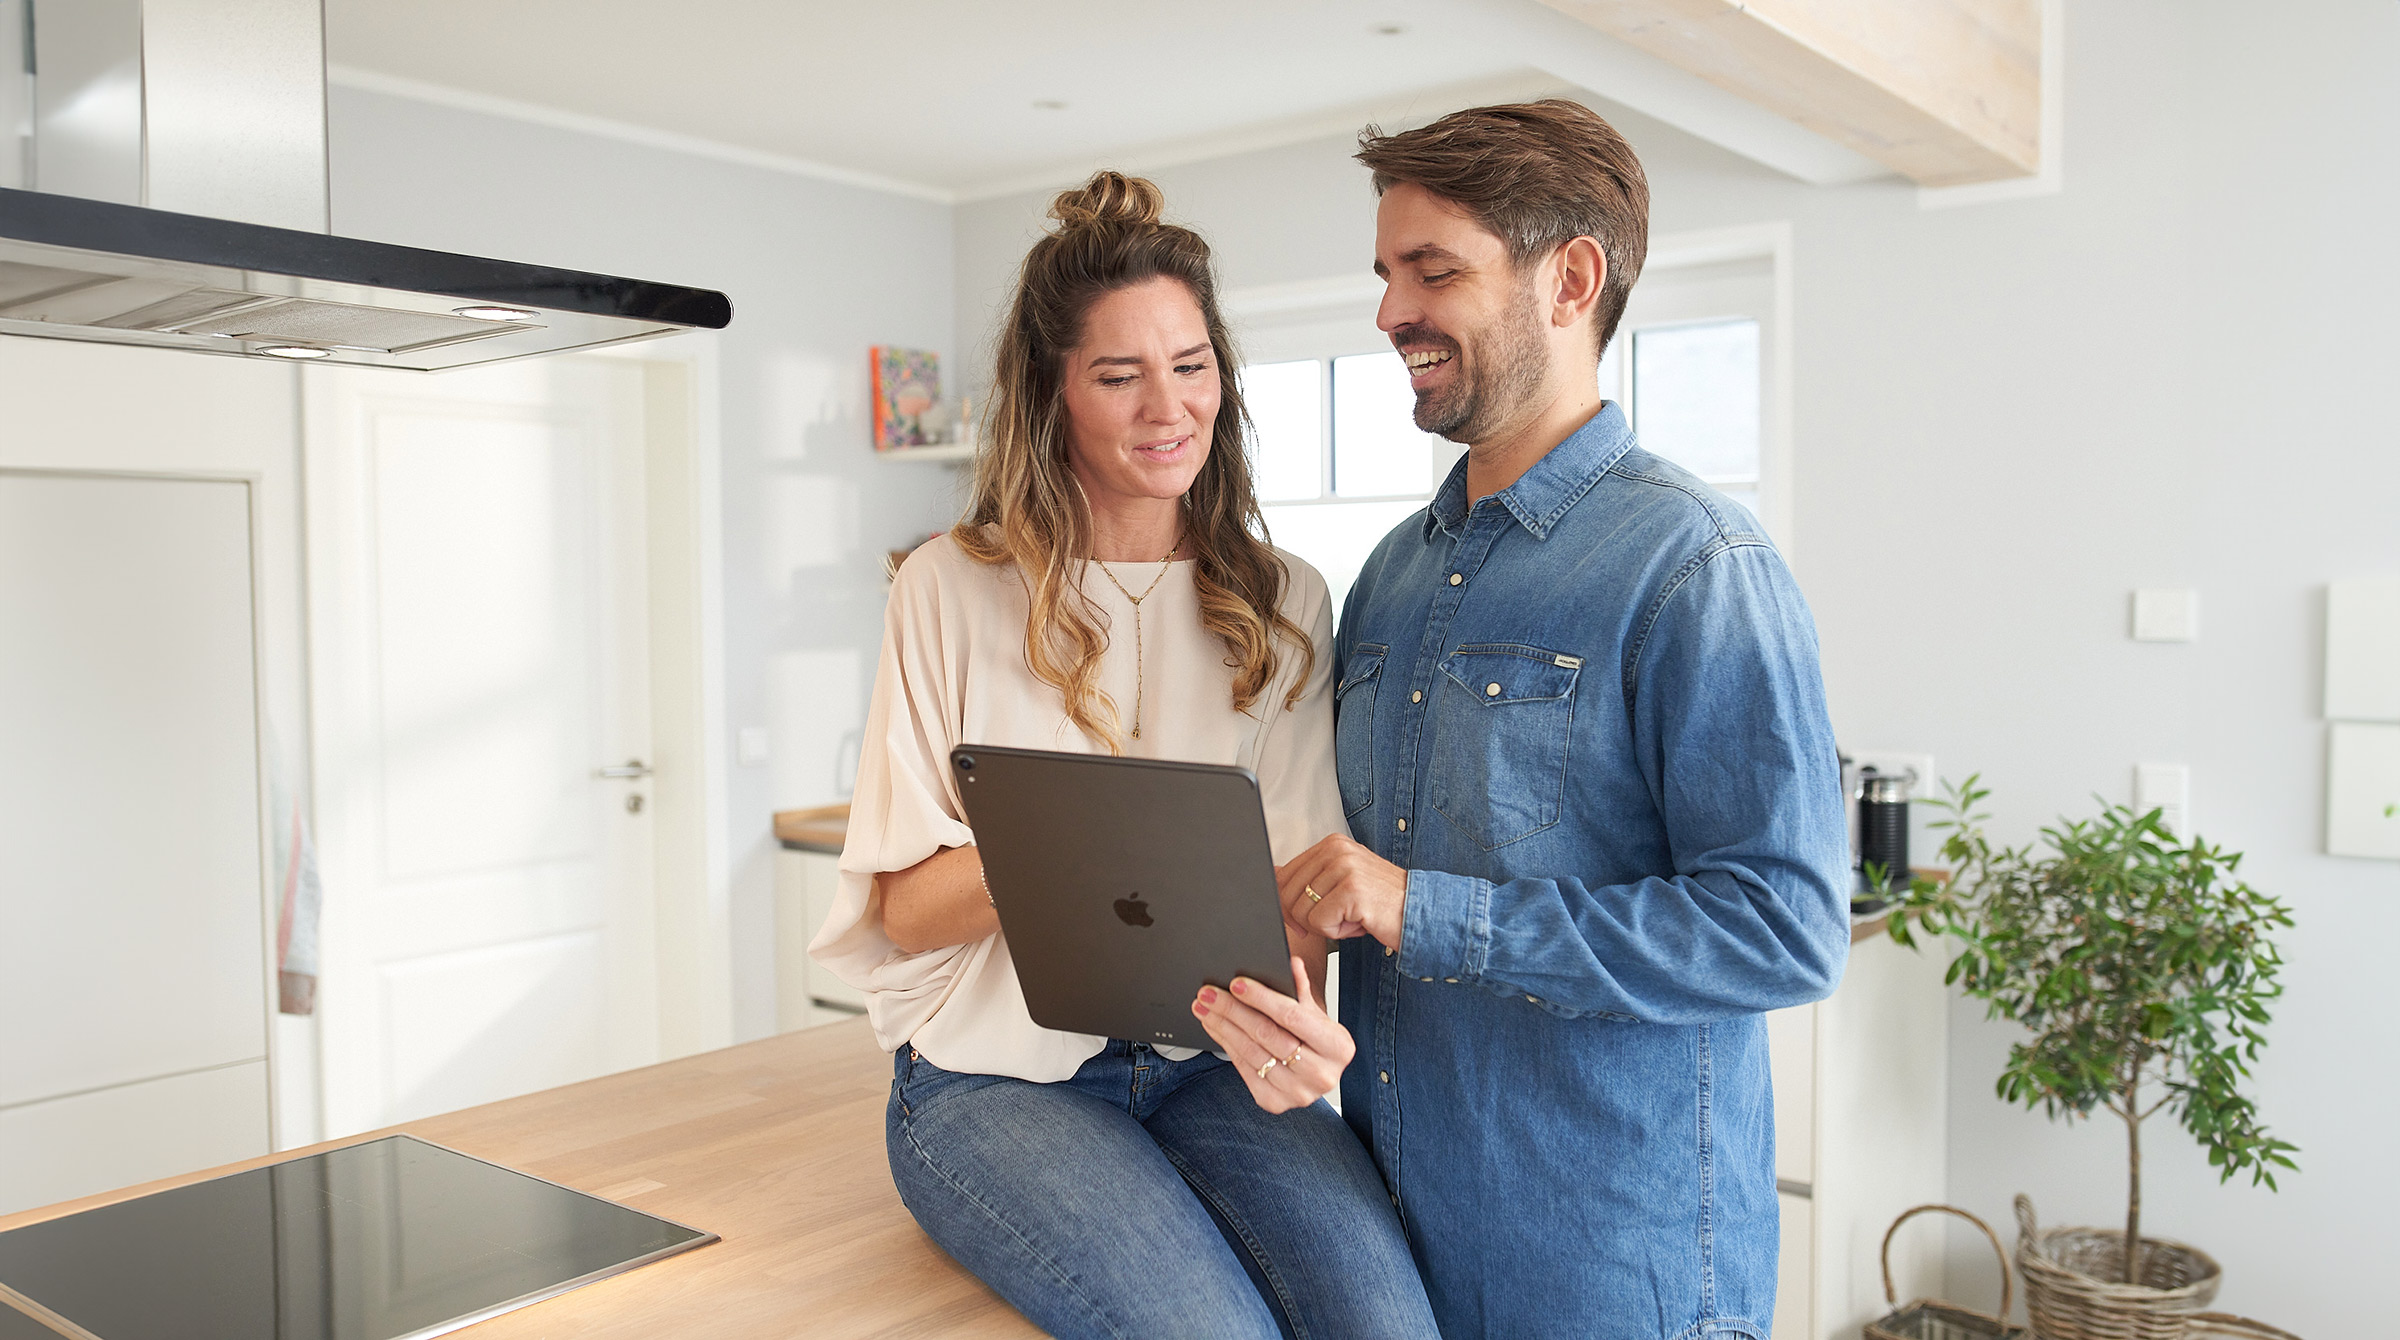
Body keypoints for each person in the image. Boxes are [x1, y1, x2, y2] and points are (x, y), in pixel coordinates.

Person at [810, 171, 1438, 1340]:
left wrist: (1296, 1029)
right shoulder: (947, 585)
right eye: (1119, 374)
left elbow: (1291, 895)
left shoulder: (1281, 597)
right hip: (991, 1077)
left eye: (1191, 364)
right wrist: (1080, 851)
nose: (1170, 407)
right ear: (1052, 396)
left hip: (1213, 1063)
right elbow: (901, 907)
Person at [1263, 100, 1853, 1335]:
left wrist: (1422, 908)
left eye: (1435, 272)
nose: (1388, 314)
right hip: (1390, 1241)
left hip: (1608, 1268)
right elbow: (1349, 871)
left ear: (1569, 280)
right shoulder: (1388, 575)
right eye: (1385, 274)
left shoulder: (1696, 565)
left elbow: (1784, 928)